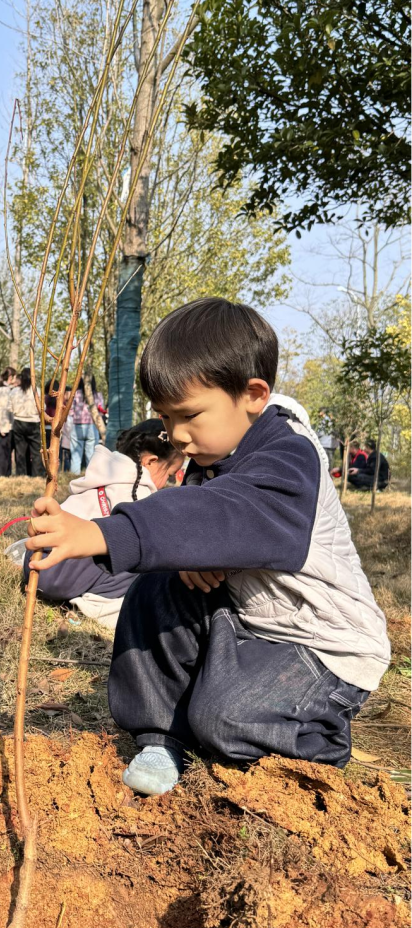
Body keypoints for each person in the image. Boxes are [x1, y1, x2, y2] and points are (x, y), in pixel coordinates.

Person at [25, 298, 390, 797]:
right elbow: (202, 526)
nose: (176, 433)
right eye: (164, 417)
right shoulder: (215, 452)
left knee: (223, 720)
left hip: (321, 645)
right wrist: (191, 561)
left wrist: (103, 534)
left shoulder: (289, 456)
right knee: (157, 585)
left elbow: (225, 516)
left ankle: (317, 740)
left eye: (189, 415)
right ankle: (160, 735)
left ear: (254, 394)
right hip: (253, 621)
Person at [20, 419, 182, 629]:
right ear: (150, 462)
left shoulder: (104, 473)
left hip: (35, 560)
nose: (165, 484)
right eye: (168, 475)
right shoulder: (136, 490)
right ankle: (101, 602)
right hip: (61, 571)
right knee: (144, 555)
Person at [9, 367, 43, 477]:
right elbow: (43, 408)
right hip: (33, 422)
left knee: (20, 452)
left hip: (19, 422)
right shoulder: (37, 391)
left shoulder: (15, 391)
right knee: (36, 452)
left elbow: (9, 408)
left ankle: (21, 475)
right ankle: (37, 475)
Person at [69, 376, 104, 473]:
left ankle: (74, 476)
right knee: (92, 456)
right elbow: (100, 412)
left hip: (77, 426)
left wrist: (75, 415)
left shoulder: (75, 394)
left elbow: (70, 410)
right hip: (92, 427)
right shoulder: (98, 395)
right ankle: (91, 477)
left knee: (75, 456)